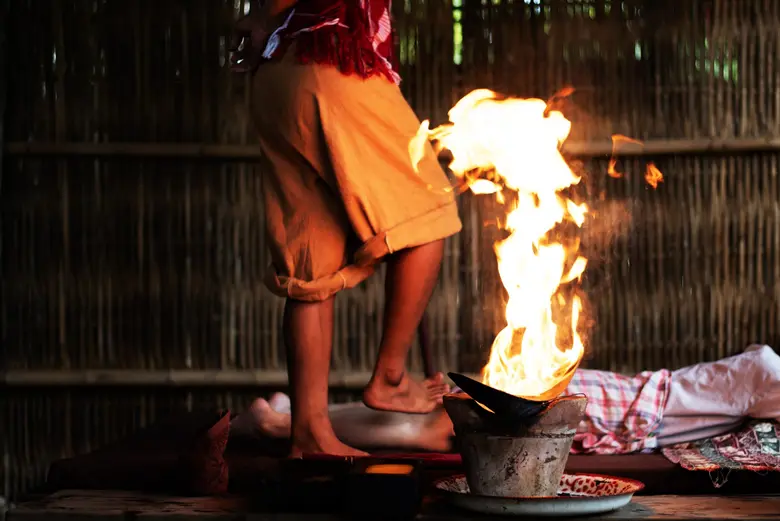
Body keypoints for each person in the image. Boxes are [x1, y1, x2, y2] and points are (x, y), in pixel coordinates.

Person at [230, 0, 462, 457]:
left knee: (310, 269)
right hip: (334, 58)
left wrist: (265, 24)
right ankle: (390, 377)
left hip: (278, 73)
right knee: (427, 211)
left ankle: (310, 435)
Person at [232, 345, 780, 454]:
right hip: (620, 405)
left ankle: (296, 414)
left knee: (447, 416)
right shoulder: (769, 371)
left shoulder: (764, 368)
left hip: (619, 398)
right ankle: (283, 426)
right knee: (440, 428)